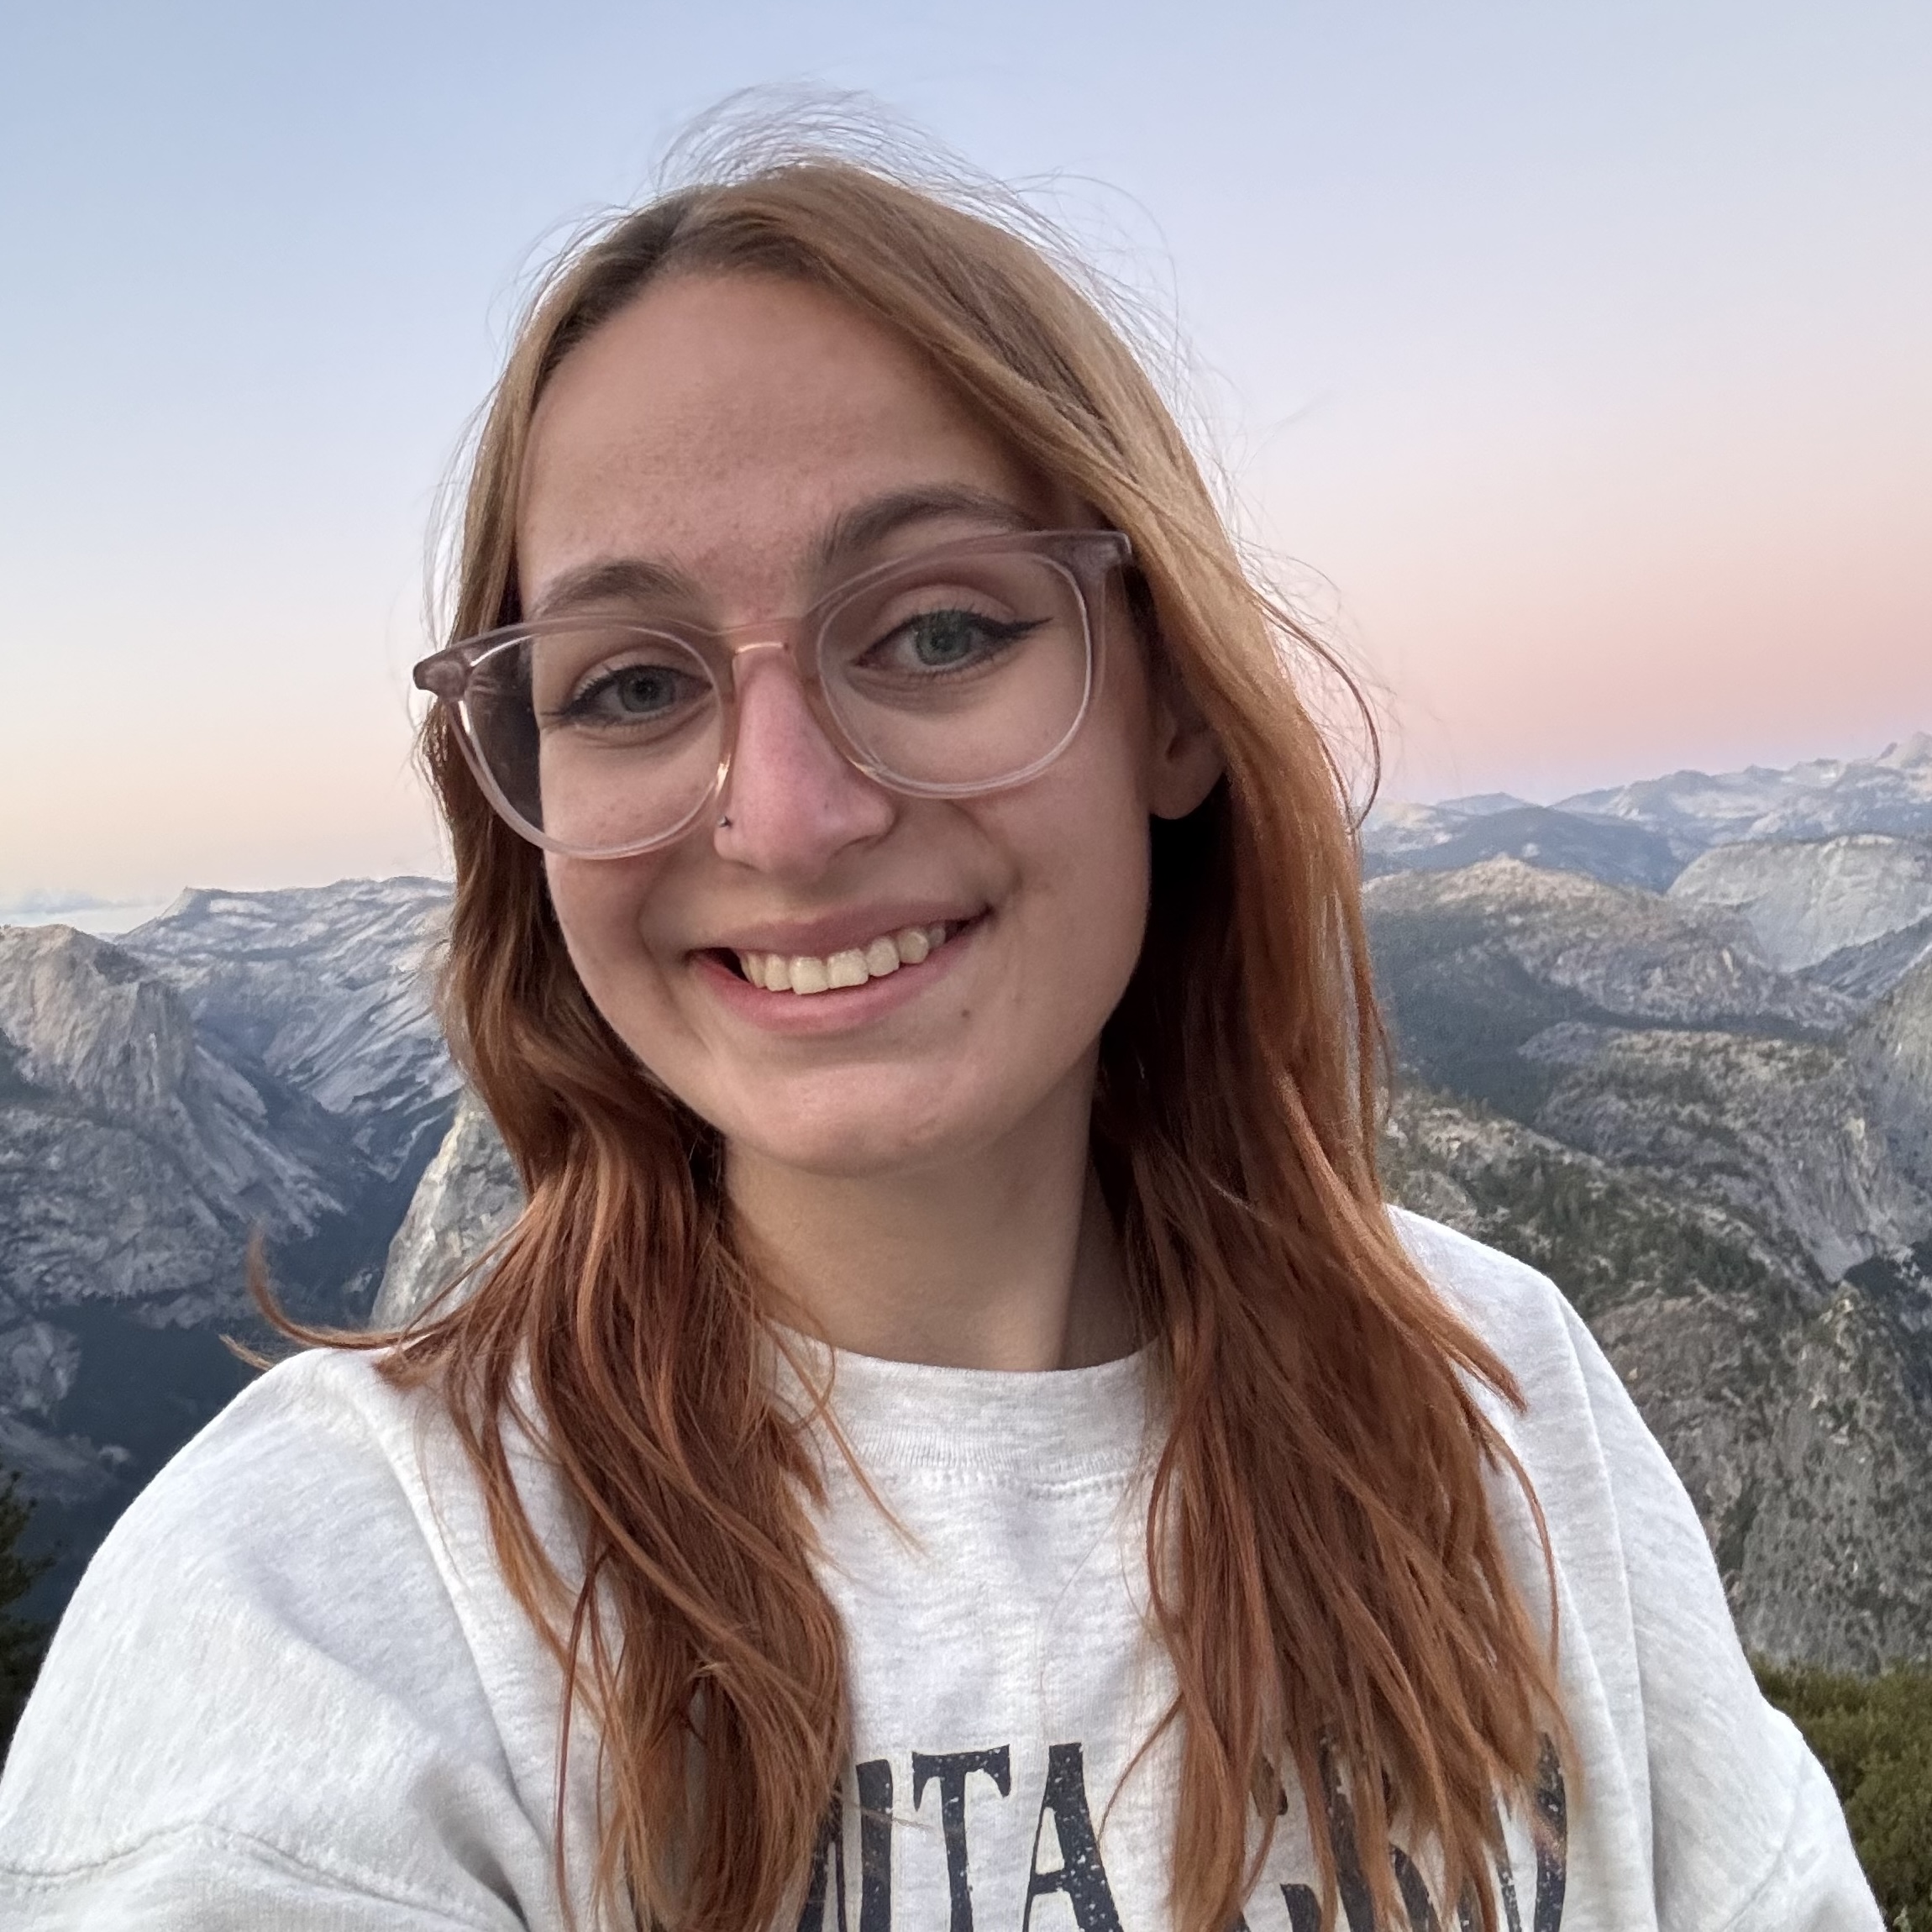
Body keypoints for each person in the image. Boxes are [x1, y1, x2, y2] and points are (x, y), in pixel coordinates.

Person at [0, 134, 1878, 1932]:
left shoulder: (1500, 1392)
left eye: (937, 629)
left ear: (1171, 705)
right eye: (633, 683)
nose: (790, 815)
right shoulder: (323, 1599)